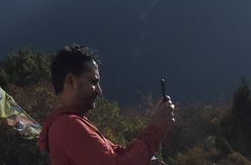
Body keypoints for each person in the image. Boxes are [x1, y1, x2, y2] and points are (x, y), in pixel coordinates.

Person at [37, 44, 175, 164]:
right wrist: (154, 131)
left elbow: (115, 156)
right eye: (93, 82)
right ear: (70, 81)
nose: (99, 91)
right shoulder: (69, 126)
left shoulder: (67, 124)